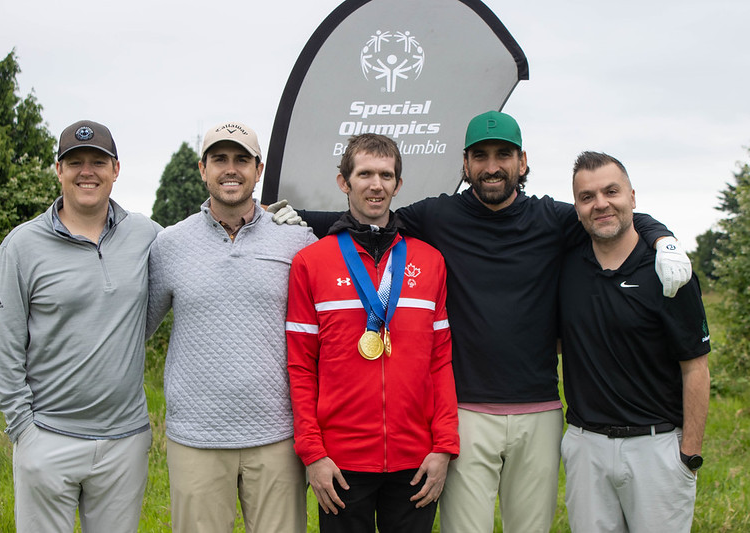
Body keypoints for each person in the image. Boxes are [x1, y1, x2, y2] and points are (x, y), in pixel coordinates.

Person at [271, 111, 692, 532]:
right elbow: (371, 218)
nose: (492, 166)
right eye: (481, 156)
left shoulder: (554, 219)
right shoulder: (439, 217)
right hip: (468, 411)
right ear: (466, 164)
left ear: (522, 162)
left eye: (503, 155)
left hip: (540, 410)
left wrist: (663, 238)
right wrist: (295, 223)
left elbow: (611, 213)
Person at [0, 120, 161, 533]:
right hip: (47, 436)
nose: (87, 171)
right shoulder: (21, 246)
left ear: (116, 169)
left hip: (125, 441)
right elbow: (3, 344)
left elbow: (196, 255)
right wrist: (23, 430)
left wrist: (264, 220)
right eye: (75, 162)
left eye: (98, 161)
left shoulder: (146, 234)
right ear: (58, 170)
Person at [145, 121, 316, 533]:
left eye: (242, 159)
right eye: (219, 159)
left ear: (259, 170)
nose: (231, 168)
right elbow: (135, 332)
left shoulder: (296, 240)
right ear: (202, 169)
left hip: (277, 435)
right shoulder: (170, 245)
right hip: (196, 438)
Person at [285, 133, 459, 533]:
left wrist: (444, 447)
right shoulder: (310, 263)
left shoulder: (429, 261)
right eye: (364, 173)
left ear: (398, 184)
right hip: (340, 462)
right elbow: (300, 366)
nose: (376, 184)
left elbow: (441, 360)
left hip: (417, 460)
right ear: (344, 182)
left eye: (386, 175)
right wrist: (312, 454)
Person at [559, 151, 710, 532]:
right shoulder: (565, 265)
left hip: (656, 448)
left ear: (633, 197)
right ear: (576, 207)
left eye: (612, 191)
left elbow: (696, 367)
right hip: (585, 446)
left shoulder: (670, 274)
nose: (601, 204)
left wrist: (689, 454)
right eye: (587, 197)